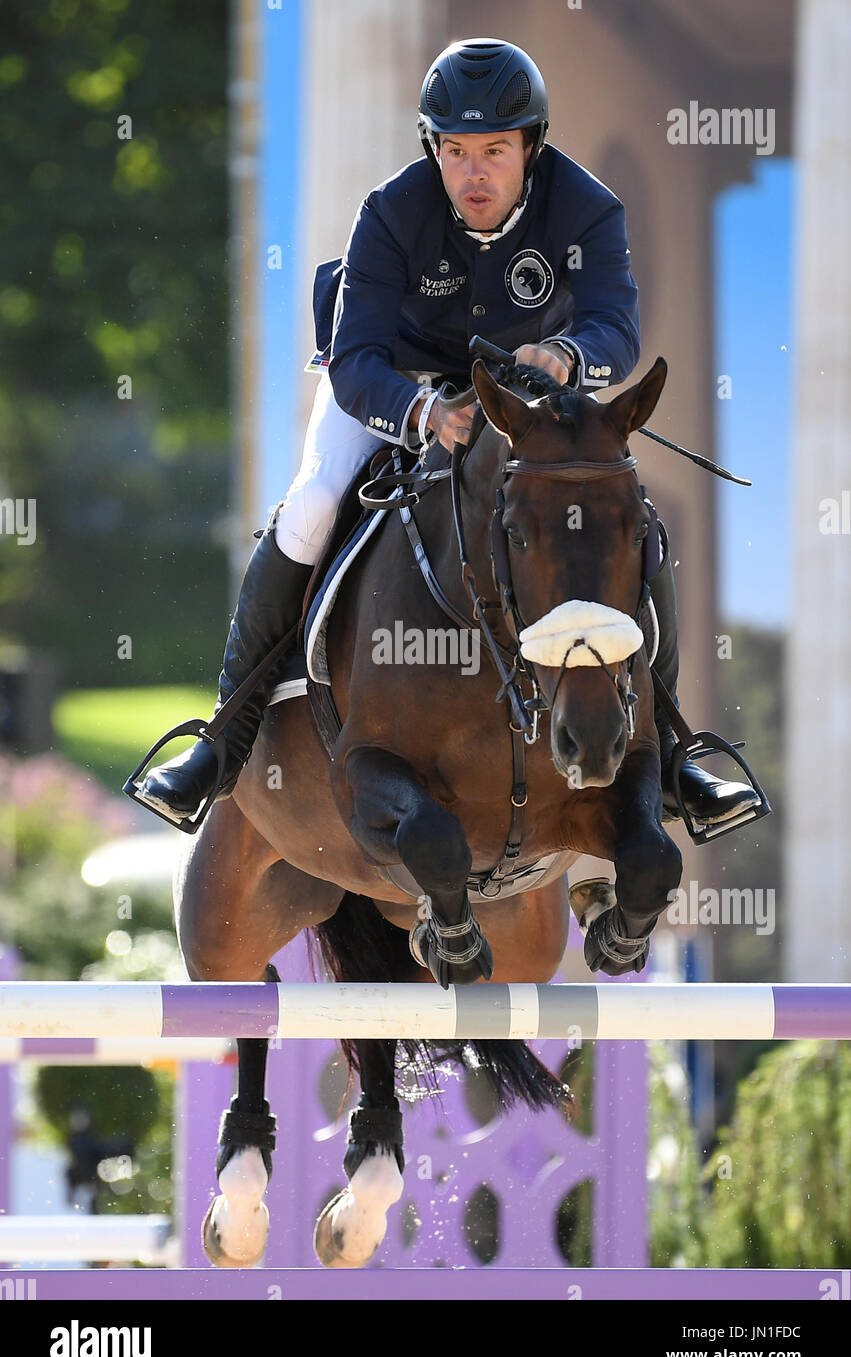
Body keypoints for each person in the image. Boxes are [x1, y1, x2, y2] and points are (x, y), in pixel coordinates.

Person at [135, 37, 759, 831]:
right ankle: (223, 737)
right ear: (432, 146)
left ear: (530, 147)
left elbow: (615, 329)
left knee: (641, 525)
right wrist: (424, 413)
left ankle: (672, 756)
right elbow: (354, 360)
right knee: (314, 502)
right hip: (397, 383)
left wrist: (567, 354)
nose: (473, 175)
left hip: (526, 393)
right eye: (454, 151)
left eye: (494, 151)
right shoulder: (391, 210)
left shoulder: (587, 206)